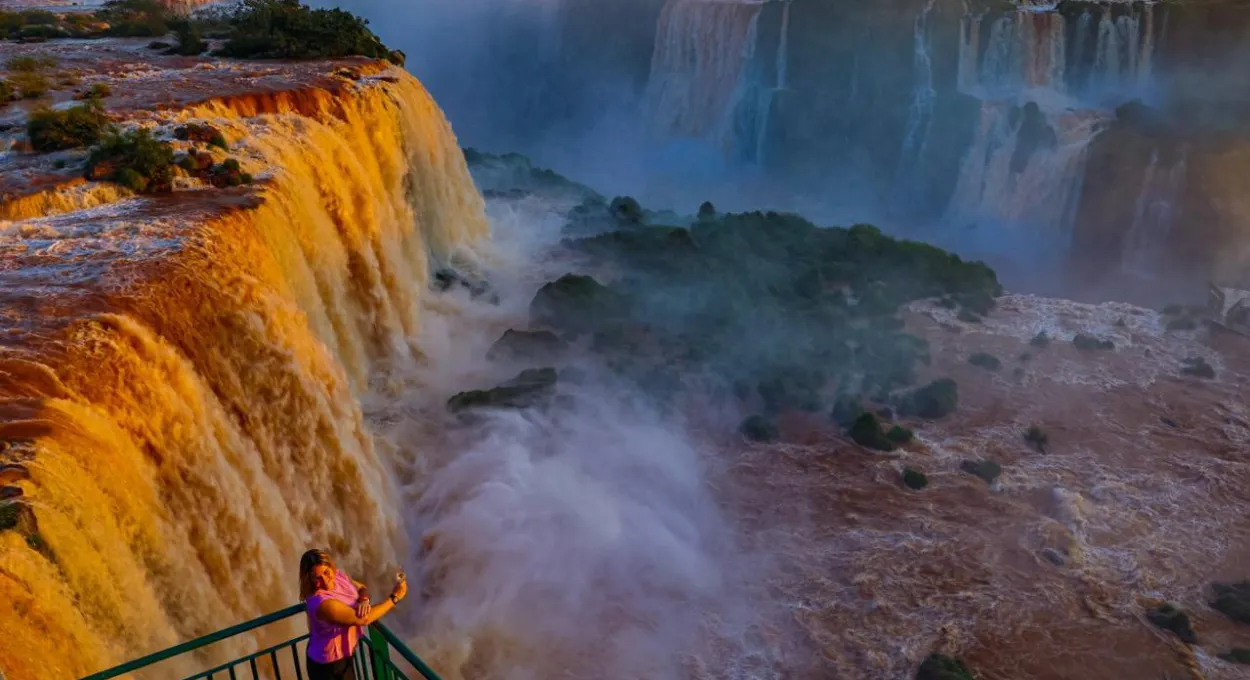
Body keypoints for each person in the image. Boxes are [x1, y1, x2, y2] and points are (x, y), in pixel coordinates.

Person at [299, 548, 409, 680]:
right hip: (328, 665)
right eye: (317, 577)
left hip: (343, 656)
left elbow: (362, 588)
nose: (325, 580)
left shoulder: (338, 576)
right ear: (309, 580)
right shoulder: (322, 603)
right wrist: (394, 598)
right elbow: (363, 619)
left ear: (331, 567)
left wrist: (364, 600)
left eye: (326, 572)